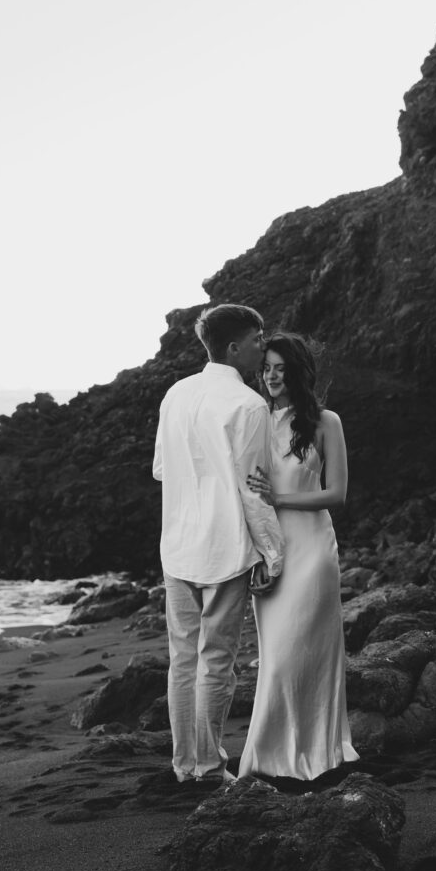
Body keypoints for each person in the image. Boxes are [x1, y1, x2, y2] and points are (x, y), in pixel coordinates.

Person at [152, 303, 284, 787]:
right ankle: (208, 768)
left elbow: (162, 469)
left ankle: (184, 764)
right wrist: (273, 551)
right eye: (257, 339)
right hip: (224, 546)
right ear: (233, 347)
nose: (263, 346)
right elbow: (254, 489)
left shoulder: (176, 393)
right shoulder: (248, 405)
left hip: (178, 544)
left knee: (182, 659)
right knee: (216, 662)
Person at [238, 331, 359, 782]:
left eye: (280, 367)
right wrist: (255, 557)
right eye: (265, 367)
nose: (271, 376)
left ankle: (319, 753)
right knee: (278, 657)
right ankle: (269, 758)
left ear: (296, 371)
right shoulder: (254, 420)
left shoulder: (326, 421)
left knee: (306, 653)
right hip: (271, 551)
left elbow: (338, 493)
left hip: (313, 551)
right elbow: (245, 498)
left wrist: (281, 498)